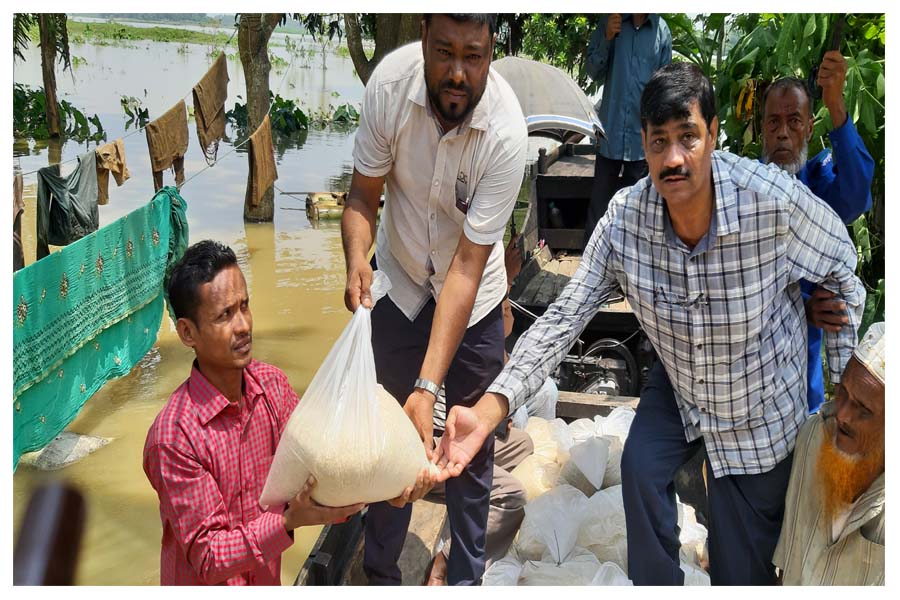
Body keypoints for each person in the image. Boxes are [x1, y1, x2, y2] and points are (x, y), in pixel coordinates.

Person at [433, 62, 865, 586]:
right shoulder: (625, 221)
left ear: (714, 134)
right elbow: (566, 316)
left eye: (689, 137)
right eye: (659, 142)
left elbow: (842, 263)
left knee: (740, 569)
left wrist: (844, 391)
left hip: (758, 404)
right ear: (642, 144)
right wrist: (489, 408)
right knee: (640, 467)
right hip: (681, 378)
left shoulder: (770, 203)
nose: (674, 158)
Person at [341, 13, 527, 585]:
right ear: (423, 38)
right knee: (387, 444)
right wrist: (356, 262)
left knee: (468, 448)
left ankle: (466, 578)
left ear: (491, 52)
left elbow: (467, 270)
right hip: (398, 286)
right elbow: (362, 198)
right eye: (444, 52)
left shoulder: (506, 133)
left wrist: (428, 388)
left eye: (473, 56)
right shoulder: (388, 91)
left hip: (473, 299)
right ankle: (379, 574)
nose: (457, 72)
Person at [143, 241, 363, 585]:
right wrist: (288, 521)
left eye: (244, 306)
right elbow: (211, 556)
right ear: (187, 333)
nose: (243, 325)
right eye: (224, 315)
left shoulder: (272, 387)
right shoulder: (174, 438)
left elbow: (315, 459)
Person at [760, 51, 875, 414]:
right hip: (745, 375)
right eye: (774, 122)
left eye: (794, 121)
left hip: (800, 384)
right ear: (762, 128)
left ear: (810, 128)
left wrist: (836, 104)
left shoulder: (817, 182)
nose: (782, 132)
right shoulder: (742, 193)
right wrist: (802, 307)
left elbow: (856, 196)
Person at [773, 322, 884, 585]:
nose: (843, 415)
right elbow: (789, 557)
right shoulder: (814, 436)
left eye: (863, 410)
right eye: (843, 392)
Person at [583, 13, 672, 246]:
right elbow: (592, 71)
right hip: (610, 132)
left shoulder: (661, 31)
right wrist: (607, 37)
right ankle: (590, 265)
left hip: (642, 139)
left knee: (640, 209)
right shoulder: (609, 22)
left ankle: (633, 267)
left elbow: (664, 90)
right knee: (599, 205)